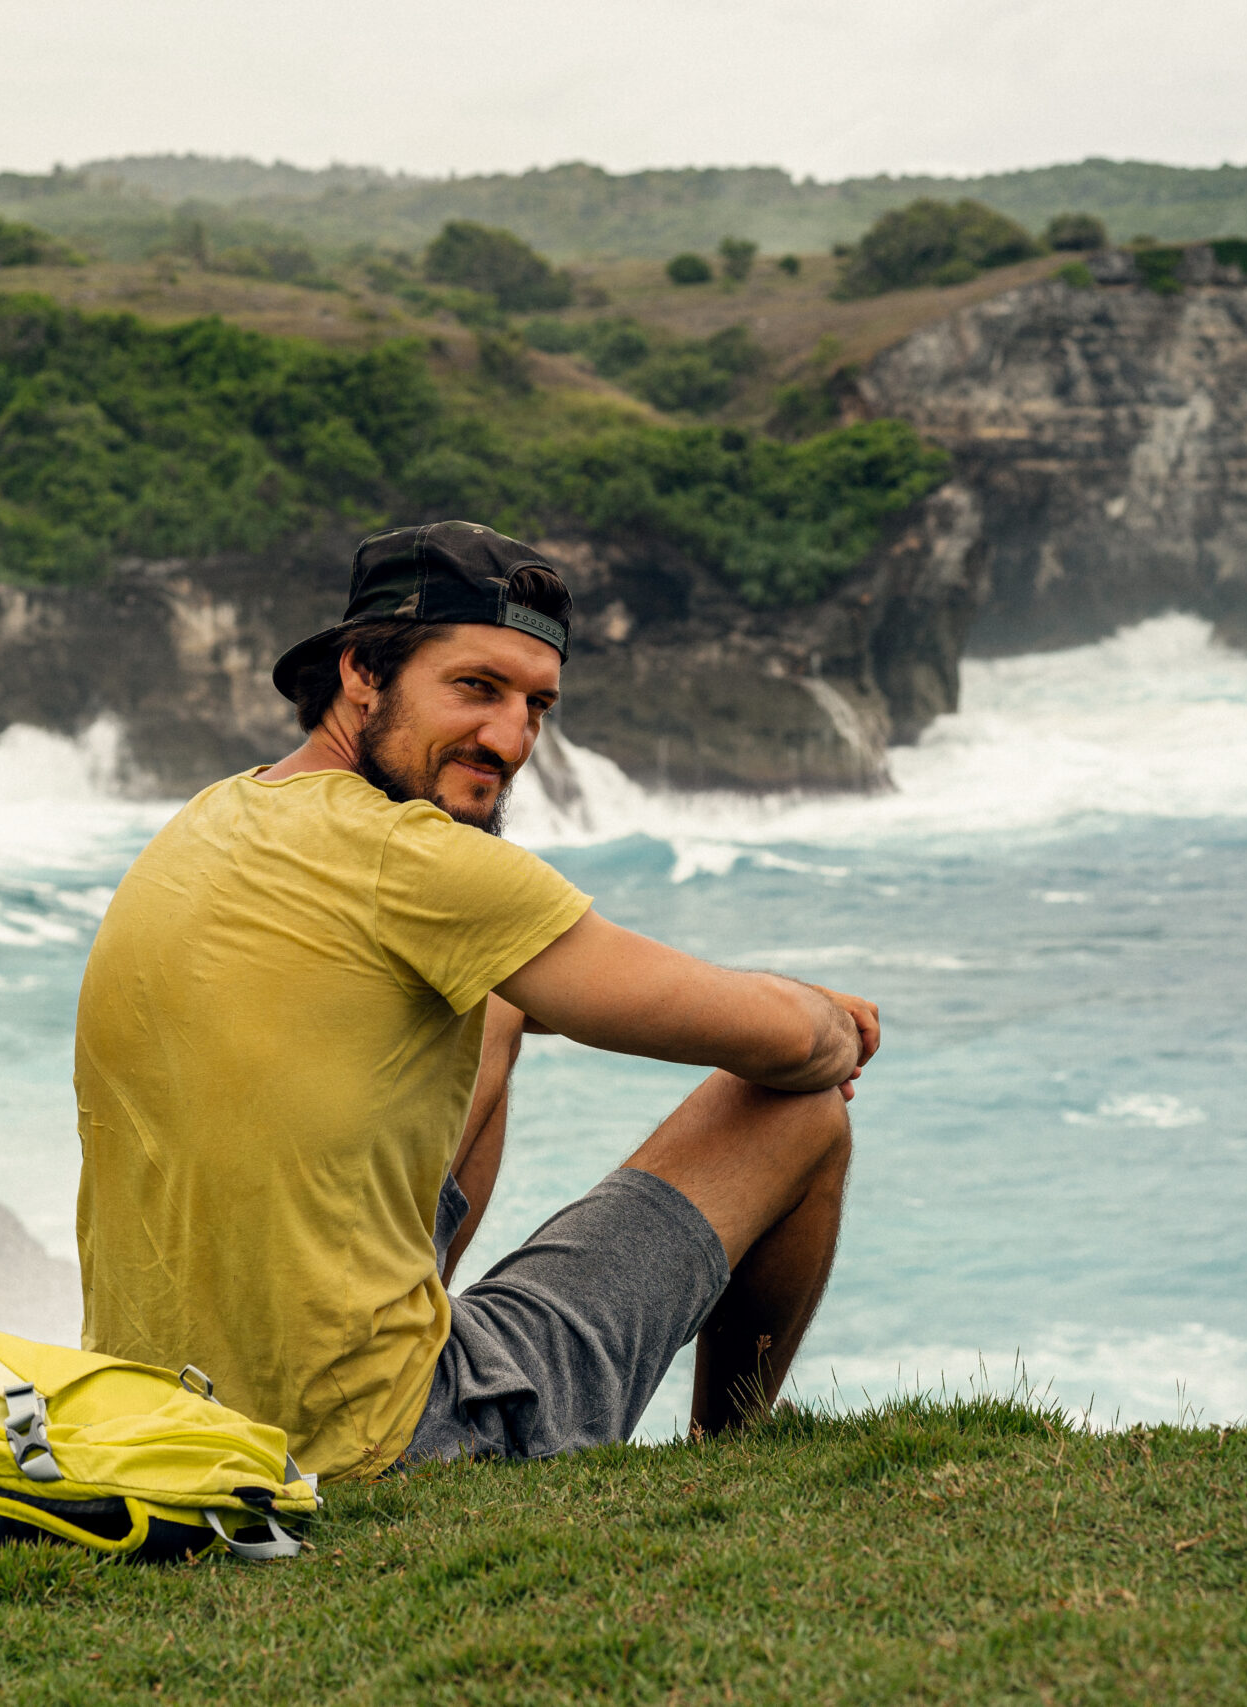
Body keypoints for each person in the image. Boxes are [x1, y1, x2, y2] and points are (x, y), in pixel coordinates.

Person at [74, 520, 877, 1480]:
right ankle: (729, 1461)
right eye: (476, 688)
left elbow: (531, 983)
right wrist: (826, 1020)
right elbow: (795, 1045)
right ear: (362, 672)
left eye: (537, 705)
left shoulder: (210, 819)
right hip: (381, 1442)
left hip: (162, 1421)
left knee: (491, 1001)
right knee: (799, 1109)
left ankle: (400, 1317)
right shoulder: (415, 860)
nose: (510, 739)